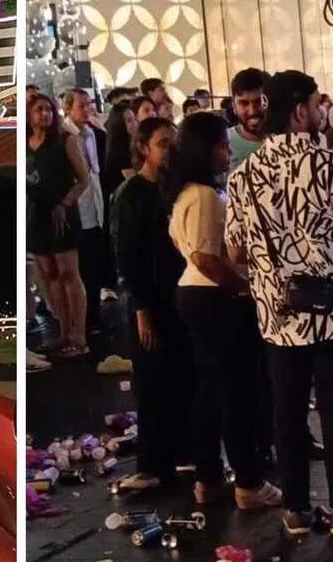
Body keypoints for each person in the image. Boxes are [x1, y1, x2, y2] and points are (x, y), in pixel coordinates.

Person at [226, 70, 333, 537]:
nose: (321, 112)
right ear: (299, 111)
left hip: (277, 316)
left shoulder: (244, 175)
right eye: (316, 104)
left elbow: (234, 253)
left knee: (287, 410)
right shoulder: (330, 164)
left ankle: (296, 508)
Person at [167, 111, 281, 510]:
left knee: (212, 390)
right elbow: (205, 257)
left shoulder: (188, 193)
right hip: (213, 297)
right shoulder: (200, 196)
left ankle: (210, 476)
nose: (227, 151)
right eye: (220, 145)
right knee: (235, 392)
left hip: (199, 296)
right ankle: (247, 482)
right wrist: (246, 287)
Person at [112, 117, 195, 491]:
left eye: (172, 143)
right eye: (163, 143)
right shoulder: (132, 194)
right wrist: (143, 309)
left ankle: (183, 453)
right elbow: (128, 256)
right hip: (151, 300)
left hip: (178, 295)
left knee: (182, 376)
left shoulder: (172, 189)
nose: (170, 151)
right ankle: (152, 463)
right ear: (144, 147)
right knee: (151, 381)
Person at [26, 92, 91, 357]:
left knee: (69, 275)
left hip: (61, 214)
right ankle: (63, 333)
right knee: (49, 275)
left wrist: (65, 204)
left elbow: (83, 180)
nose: (45, 114)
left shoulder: (65, 140)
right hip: (36, 214)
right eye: (39, 109)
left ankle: (79, 337)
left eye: (49, 110)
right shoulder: (24, 144)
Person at [65, 89, 108, 337]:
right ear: (69, 108)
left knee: (94, 267)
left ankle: (95, 316)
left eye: (89, 104)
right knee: (80, 270)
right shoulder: (66, 135)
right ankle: (83, 321)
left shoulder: (91, 133)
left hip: (95, 205)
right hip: (78, 209)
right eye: (82, 105)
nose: (88, 109)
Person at [228, 67, 268, 170]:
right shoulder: (222, 144)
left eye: (258, 101)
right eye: (244, 103)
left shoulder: (285, 140)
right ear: (234, 106)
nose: (252, 111)